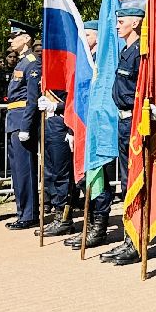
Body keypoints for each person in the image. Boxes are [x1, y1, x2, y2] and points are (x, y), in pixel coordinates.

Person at [100, 6, 146, 266]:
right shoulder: (126, 51)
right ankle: (129, 237)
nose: (117, 26)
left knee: (136, 181)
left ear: (136, 23)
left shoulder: (141, 52)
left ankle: (136, 240)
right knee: (127, 182)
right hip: (122, 122)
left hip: (134, 122)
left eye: (121, 22)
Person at [65, 21, 115, 251]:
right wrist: (72, 128)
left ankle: (99, 228)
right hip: (85, 127)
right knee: (87, 178)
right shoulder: (86, 61)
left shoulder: (104, 61)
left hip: (101, 129)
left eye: (87, 34)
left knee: (100, 178)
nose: (83, 38)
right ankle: (89, 223)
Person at [0, 20, 41, 231]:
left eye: (14, 36)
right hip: (13, 120)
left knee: (25, 170)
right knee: (17, 170)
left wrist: (26, 126)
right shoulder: (21, 62)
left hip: (22, 121)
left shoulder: (32, 62)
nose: (10, 39)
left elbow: (31, 98)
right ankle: (22, 211)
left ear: (26, 38)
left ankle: (29, 214)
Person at [38, 84, 75, 236]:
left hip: (62, 124)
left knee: (61, 174)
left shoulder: (68, 70)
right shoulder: (47, 73)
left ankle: (64, 218)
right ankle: (57, 214)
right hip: (49, 125)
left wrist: (56, 106)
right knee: (50, 173)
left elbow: (75, 101)